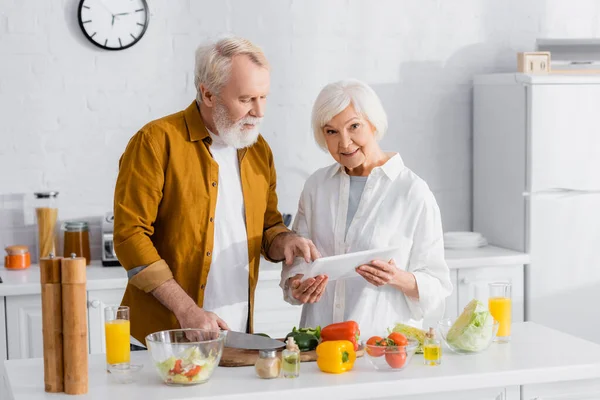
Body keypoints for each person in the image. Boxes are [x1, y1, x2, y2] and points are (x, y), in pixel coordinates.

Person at [114, 36, 319, 344]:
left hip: (235, 337)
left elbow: (268, 227)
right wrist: (187, 310)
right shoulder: (156, 142)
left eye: (264, 97)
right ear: (207, 94)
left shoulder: (258, 150)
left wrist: (286, 241)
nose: (259, 112)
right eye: (247, 99)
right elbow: (130, 236)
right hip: (160, 338)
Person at [280, 79, 452, 338]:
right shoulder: (317, 186)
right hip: (319, 345)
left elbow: (437, 286)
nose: (345, 143)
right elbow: (299, 262)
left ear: (373, 123)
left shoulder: (412, 192)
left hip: (382, 347)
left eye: (354, 126)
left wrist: (397, 277)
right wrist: (296, 284)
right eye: (331, 132)